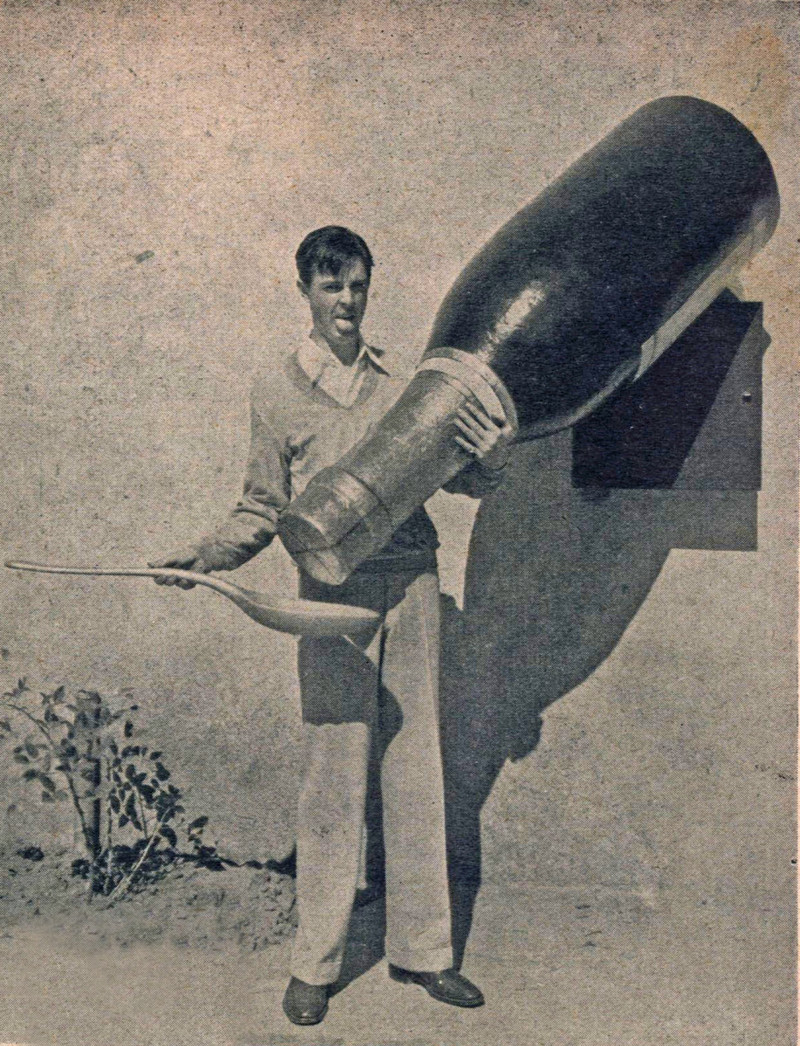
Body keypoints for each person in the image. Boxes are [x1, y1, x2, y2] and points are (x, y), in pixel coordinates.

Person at [151, 226, 512, 1025]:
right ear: (305, 292)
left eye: (357, 285)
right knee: (333, 773)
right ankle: (315, 964)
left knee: (416, 767)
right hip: (326, 592)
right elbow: (261, 507)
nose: (347, 302)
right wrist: (206, 555)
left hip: (411, 581)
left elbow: (467, 480)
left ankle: (425, 954)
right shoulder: (277, 391)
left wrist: (493, 456)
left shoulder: (403, 384)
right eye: (331, 286)